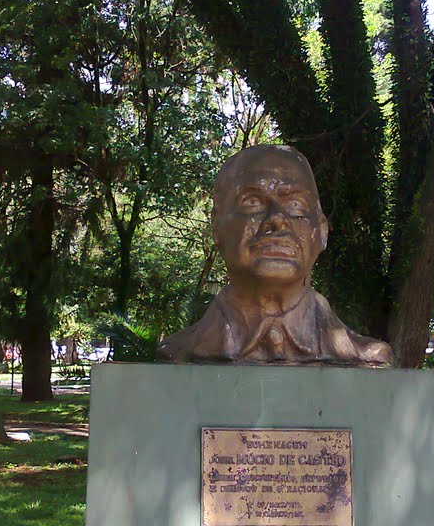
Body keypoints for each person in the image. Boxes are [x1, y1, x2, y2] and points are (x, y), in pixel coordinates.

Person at [158, 144, 392, 366]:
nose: (277, 219)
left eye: (296, 205)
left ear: (320, 231)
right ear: (216, 227)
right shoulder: (176, 352)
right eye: (253, 202)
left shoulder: (369, 356)